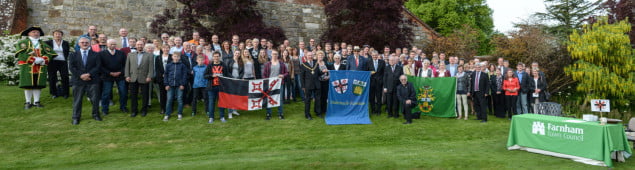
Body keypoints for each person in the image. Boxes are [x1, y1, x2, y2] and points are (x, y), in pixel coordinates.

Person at [16, 26, 56, 109]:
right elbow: (21, 55)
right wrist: (33, 59)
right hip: (27, 66)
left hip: (41, 66)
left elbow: (50, 54)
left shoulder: (43, 44)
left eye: (37, 32)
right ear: (28, 33)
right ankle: (28, 102)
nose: (36, 33)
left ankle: (36, 101)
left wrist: (43, 59)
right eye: (33, 32)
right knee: (28, 84)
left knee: (38, 84)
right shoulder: (22, 43)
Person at [69, 37, 102, 125]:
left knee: (95, 99)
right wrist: (81, 75)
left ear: (90, 43)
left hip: (92, 80)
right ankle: (76, 117)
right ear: (79, 44)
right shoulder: (73, 54)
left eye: (86, 42)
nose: (84, 44)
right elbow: (72, 67)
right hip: (78, 80)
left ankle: (96, 114)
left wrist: (88, 74)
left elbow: (98, 67)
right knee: (77, 100)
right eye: (82, 42)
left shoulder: (96, 54)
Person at [99, 39, 128, 115]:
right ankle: (105, 109)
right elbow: (100, 66)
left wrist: (120, 72)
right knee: (106, 93)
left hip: (120, 75)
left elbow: (126, 65)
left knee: (123, 92)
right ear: (107, 44)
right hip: (107, 76)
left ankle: (123, 107)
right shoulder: (101, 54)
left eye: (114, 44)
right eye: (111, 44)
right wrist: (110, 73)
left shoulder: (121, 53)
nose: (113, 46)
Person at [125, 41, 154, 117]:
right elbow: (127, 66)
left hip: (145, 78)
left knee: (145, 95)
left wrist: (149, 76)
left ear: (143, 45)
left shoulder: (149, 55)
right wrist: (127, 76)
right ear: (136, 45)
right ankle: (134, 111)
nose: (140, 46)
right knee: (133, 95)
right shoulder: (130, 55)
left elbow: (151, 67)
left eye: (141, 44)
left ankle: (144, 110)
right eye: (138, 44)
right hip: (133, 77)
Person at [262, 50, 288, 120]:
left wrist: (283, 75)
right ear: (271, 55)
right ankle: (268, 114)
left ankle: (280, 113)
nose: (275, 55)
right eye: (273, 54)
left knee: (280, 99)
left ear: (278, 55)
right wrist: (266, 81)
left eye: (276, 54)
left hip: (279, 84)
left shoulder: (281, 63)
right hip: (270, 84)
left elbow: (286, 72)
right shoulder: (267, 64)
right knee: (269, 98)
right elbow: (264, 75)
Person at [45, 30, 70, 99]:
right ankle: (53, 93)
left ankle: (66, 93)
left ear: (62, 35)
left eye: (59, 34)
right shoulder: (48, 43)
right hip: (52, 62)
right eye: (56, 34)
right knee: (52, 77)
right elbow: (46, 51)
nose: (58, 35)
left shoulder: (65, 43)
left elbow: (67, 52)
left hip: (62, 62)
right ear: (53, 35)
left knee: (65, 77)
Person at [163, 52, 188, 121]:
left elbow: (184, 76)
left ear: (179, 57)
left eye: (177, 56)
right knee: (169, 99)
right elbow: (165, 75)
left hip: (179, 85)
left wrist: (182, 84)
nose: (176, 58)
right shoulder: (168, 65)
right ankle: (167, 114)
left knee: (179, 99)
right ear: (172, 57)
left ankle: (179, 113)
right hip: (170, 85)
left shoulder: (182, 66)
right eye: (175, 56)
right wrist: (166, 84)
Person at [204, 52, 227, 123]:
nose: (216, 58)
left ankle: (222, 117)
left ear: (219, 57)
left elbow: (227, 74)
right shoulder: (210, 65)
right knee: (211, 103)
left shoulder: (223, 64)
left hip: (221, 87)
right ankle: (211, 117)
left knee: (221, 103)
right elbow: (205, 75)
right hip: (211, 87)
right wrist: (211, 76)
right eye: (215, 56)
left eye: (217, 56)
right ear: (213, 57)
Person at [301, 51, 322, 120]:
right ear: (306, 56)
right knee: (308, 100)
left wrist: (323, 72)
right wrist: (303, 86)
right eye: (309, 55)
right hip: (308, 85)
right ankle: (307, 114)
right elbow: (302, 77)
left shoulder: (316, 63)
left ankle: (318, 112)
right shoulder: (303, 65)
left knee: (318, 99)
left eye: (311, 55)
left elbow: (318, 73)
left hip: (317, 84)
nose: (310, 56)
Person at [225, 50, 244, 119]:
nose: (237, 54)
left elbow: (242, 72)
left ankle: (234, 110)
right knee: (231, 97)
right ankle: (230, 112)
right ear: (234, 53)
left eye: (238, 53)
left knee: (236, 96)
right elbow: (227, 71)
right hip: (231, 80)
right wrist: (232, 78)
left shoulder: (240, 62)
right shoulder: (229, 61)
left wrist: (239, 78)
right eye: (236, 53)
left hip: (238, 81)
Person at [366, 51, 385, 115]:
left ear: (378, 55)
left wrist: (382, 80)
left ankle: (378, 110)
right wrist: (369, 73)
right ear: (371, 55)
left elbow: (384, 73)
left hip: (379, 82)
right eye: (373, 55)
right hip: (371, 82)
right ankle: (373, 110)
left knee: (379, 97)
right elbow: (366, 72)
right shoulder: (368, 62)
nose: (374, 56)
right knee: (371, 97)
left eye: (376, 55)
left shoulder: (382, 62)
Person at [155, 45, 171, 115]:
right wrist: (162, 74)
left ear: (169, 49)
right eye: (164, 48)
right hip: (161, 78)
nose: (166, 49)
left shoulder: (172, 56)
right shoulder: (158, 57)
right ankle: (163, 108)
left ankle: (170, 108)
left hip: (170, 78)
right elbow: (157, 68)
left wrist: (167, 74)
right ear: (162, 49)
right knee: (162, 94)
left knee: (170, 94)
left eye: (167, 48)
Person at [315, 51, 329, 117]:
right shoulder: (315, 63)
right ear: (317, 56)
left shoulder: (325, 62)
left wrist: (328, 77)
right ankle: (318, 111)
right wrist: (322, 72)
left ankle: (324, 110)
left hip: (325, 81)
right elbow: (315, 74)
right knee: (319, 97)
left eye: (321, 56)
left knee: (324, 96)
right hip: (318, 82)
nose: (320, 57)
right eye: (319, 56)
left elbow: (328, 71)